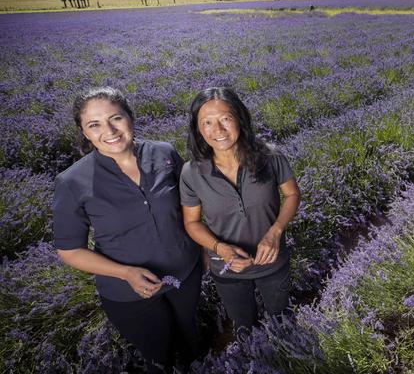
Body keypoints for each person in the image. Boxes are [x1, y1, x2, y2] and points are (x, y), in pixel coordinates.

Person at [53, 87, 202, 373]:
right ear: (84, 132)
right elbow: (70, 250)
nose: (108, 130)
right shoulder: (72, 182)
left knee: (191, 338)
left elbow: (189, 208)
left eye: (116, 118)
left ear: (130, 118)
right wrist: (125, 273)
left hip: (186, 273)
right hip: (129, 294)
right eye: (94, 124)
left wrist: (204, 249)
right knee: (160, 357)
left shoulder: (163, 153)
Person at [180, 87, 300, 338]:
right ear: (198, 129)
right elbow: (191, 223)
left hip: (272, 262)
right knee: (243, 326)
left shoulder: (270, 156)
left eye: (225, 119)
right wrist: (220, 248)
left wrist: (275, 232)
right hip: (227, 268)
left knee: (282, 320)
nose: (218, 130)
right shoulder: (191, 172)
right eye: (207, 123)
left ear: (240, 119)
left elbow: (291, 194)